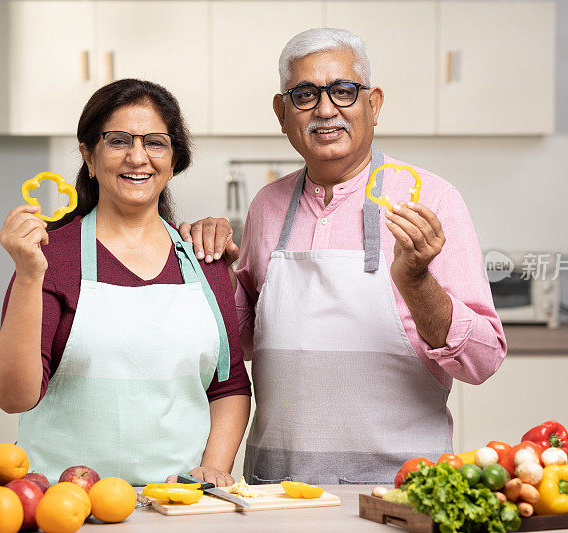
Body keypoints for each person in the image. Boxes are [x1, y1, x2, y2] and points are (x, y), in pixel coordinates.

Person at [182, 28, 507, 485]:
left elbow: (483, 360)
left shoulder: (432, 198)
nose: (326, 109)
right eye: (304, 94)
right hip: (277, 490)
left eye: (343, 91)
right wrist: (210, 269)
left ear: (373, 104)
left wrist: (417, 283)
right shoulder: (266, 205)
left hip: (402, 490)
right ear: (282, 112)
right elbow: (237, 344)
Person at [0, 79, 250, 487]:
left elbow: (228, 385)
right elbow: (12, 397)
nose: (138, 157)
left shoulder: (204, 259)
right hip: (65, 504)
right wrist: (28, 274)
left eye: (156, 142)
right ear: (89, 156)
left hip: (176, 502)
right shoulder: (50, 256)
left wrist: (215, 468)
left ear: (174, 158)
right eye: (118, 141)